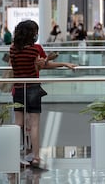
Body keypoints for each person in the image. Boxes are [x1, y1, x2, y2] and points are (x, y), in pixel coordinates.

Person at [9, 20, 76, 168]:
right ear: (32, 33)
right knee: (34, 124)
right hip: (33, 88)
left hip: (18, 88)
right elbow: (43, 66)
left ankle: (13, 157)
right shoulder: (35, 49)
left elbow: (15, 65)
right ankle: (36, 157)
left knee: (17, 124)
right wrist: (62, 63)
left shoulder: (12, 49)